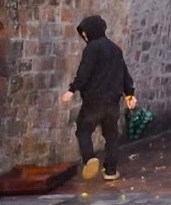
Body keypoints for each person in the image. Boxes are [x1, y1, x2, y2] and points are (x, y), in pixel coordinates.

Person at [58, 15, 137, 182]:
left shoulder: (92, 48)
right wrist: (130, 94)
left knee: (83, 130)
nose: (84, 36)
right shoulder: (116, 49)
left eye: (85, 33)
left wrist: (72, 90)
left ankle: (89, 158)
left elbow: (84, 72)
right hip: (112, 102)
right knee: (111, 135)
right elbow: (124, 74)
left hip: (94, 101)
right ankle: (111, 170)